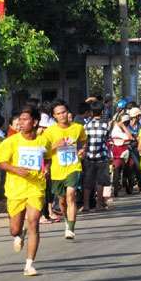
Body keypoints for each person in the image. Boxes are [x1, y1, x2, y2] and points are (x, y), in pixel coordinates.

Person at [0, 105, 51, 276]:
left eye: (25, 119)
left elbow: (47, 158)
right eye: (20, 119)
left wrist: (46, 168)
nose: (21, 122)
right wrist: (16, 169)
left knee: (34, 222)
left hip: (36, 187)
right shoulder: (10, 141)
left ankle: (29, 265)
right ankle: (18, 235)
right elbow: (0, 162)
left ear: (34, 122)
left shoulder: (43, 141)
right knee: (14, 228)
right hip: (15, 189)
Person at [42, 100, 86, 239]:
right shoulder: (49, 132)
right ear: (54, 116)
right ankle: (67, 220)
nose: (62, 115)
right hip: (57, 170)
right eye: (58, 113)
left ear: (68, 112)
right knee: (62, 201)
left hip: (74, 166)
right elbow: (43, 151)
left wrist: (82, 150)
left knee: (71, 194)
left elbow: (84, 140)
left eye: (64, 112)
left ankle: (71, 229)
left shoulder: (78, 128)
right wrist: (55, 145)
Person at [81, 100, 111, 212]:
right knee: (100, 181)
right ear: (102, 111)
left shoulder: (86, 125)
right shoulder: (105, 125)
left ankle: (86, 205)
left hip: (89, 156)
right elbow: (107, 139)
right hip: (102, 156)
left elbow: (85, 141)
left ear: (91, 112)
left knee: (88, 182)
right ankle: (98, 205)